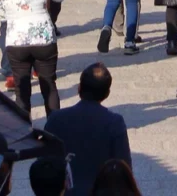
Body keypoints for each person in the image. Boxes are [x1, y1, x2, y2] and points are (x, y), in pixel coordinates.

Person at [0, 0, 69, 115]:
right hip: (43, 38)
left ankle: (26, 133)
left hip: (16, 41)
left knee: (22, 92)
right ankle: (55, 128)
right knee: (49, 85)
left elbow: (0, 15)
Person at [44, 63, 132, 196]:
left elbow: (43, 162)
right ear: (107, 93)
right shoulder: (114, 122)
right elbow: (124, 167)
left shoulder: (56, 118)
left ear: (79, 89)